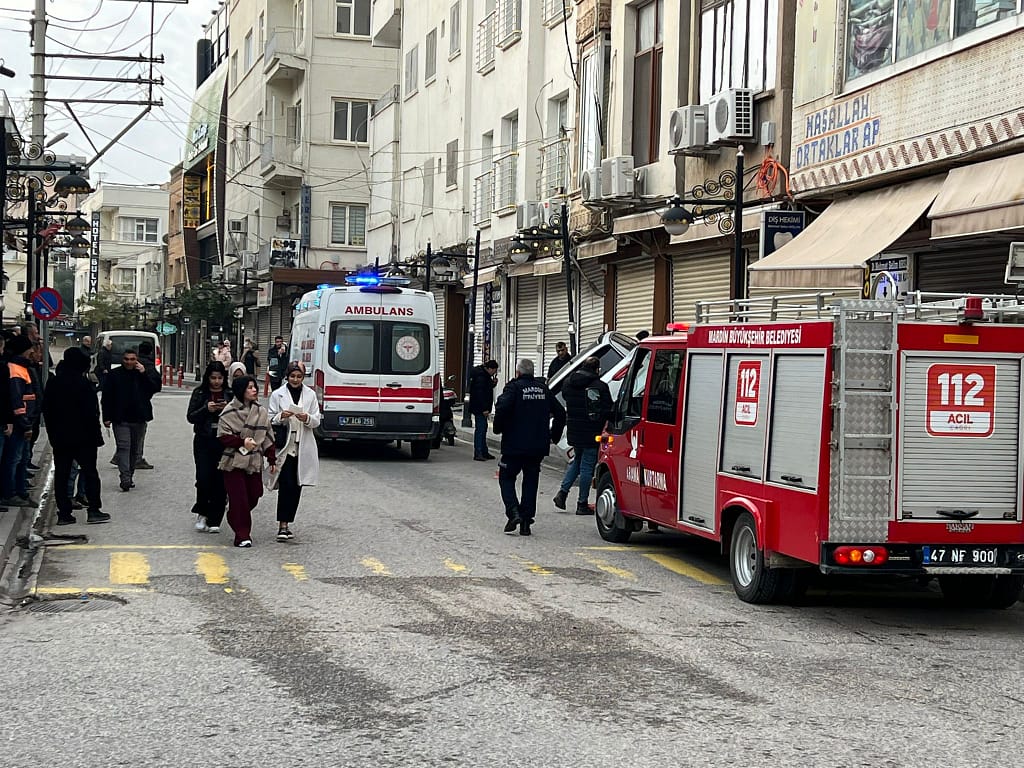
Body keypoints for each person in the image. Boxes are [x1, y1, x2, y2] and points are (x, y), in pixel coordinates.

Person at [492, 358, 566, 536]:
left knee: (506, 478)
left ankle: (514, 512)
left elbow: (502, 408)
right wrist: (553, 436)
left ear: (518, 372)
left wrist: (498, 428)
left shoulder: (513, 388)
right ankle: (526, 521)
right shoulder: (543, 389)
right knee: (530, 482)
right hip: (537, 446)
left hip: (514, 445)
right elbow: (561, 413)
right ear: (532, 373)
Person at [43, 348, 108, 525]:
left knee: (62, 475)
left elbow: (47, 411)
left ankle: (64, 513)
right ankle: (94, 510)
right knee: (90, 472)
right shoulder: (84, 385)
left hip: (61, 438)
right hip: (85, 438)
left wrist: (52, 435)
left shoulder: (54, 383)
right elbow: (91, 414)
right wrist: (97, 436)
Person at [217, 375, 276, 548]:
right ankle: (242, 535)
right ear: (241, 390)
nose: (254, 390)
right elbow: (223, 436)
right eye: (250, 387)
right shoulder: (229, 411)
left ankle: (234, 515)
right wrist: (241, 442)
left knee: (254, 494)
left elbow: (267, 436)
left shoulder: (261, 412)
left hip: (254, 460)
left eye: (255, 387)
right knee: (240, 498)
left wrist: (271, 457)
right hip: (233, 462)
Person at [267, 362, 321, 542]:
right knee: (286, 484)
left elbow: (316, 419)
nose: (295, 380)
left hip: (303, 444)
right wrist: (281, 416)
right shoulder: (277, 394)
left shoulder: (310, 394)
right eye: (292, 376)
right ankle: (282, 525)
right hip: (285, 444)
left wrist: (307, 418)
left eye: (299, 377)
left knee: (297, 486)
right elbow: (269, 418)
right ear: (287, 377)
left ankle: (288, 522)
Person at [553, 356, 613, 515]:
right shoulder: (599, 386)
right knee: (587, 466)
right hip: (592, 431)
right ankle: (582, 503)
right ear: (596, 369)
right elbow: (607, 408)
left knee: (577, 461)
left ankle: (563, 493)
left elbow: (565, 398)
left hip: (574, 429)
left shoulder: (568, 382)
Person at [101, 348, 161, 492]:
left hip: (139, 418)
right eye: (126, 359)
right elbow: (107, 397)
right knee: (123, 447)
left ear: (137, 360)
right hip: (120, 418)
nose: (129, 362)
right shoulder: (114, 375)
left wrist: (144, 373)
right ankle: (125, 478)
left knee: (134, 450)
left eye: (132, 359)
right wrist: (106, 417)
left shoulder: (142, 374)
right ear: (122, 360)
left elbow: (154, 388)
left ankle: (130, 474)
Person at [187, 361, 229, 534]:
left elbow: (241, 416)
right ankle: (202, 512)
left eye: (220, 378)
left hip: (223, 440)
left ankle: (215, 517)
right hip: (204, 439)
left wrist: (227, 409)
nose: (216, 382)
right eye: (213, 378)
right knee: (204, 478)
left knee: (220, 480)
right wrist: (206, 409)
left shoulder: (230, 393)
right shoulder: (200, 392)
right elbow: (190, 417)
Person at [0, 335, 39, 507]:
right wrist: (24, 422)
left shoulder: (21, 367)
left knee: (20, 457)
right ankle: (10, 493)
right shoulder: (15, 369)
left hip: (22, 420)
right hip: (19, 422)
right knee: (14, 458)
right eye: (30, 348)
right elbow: (17, 399)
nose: (32, 351)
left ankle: (19, 491)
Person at [133, 340, 161, 470]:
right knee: (139, 433)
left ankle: (121, 455)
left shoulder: (132, 364)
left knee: (126, 432)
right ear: (151, 352)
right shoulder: (149, 366)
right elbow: (156, 386)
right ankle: (137, 457)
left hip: (126, 404)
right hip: (142, 404)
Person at [468, 360, 499, 461]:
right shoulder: (481, 377)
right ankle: (478, 452)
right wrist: (484, 409)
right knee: (480, 429)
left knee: (483, 428)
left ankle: (484, 451)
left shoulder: (483, 375)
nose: (494, 373)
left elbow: (486, 389)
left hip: (480, 407)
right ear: (490, 369)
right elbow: (480, 394)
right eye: (494, 371)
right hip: (480, 408)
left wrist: (493, 383)